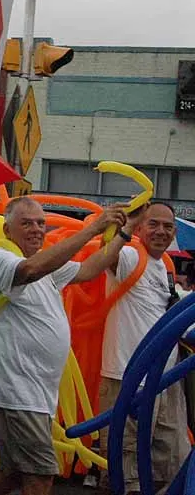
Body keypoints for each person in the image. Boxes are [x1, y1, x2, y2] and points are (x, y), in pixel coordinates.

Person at [0, 196, 141, 495]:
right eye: (26, 223)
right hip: (18, 394)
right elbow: (30, 270)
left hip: (33, 395)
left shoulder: (46, 263)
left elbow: (89, 269)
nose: (37, 229)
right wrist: (93, 229)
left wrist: (126, 231)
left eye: (41, 223)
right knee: (40, 476)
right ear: (7, 230)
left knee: (13, 475)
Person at [99, 202, 188, 495]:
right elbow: (106, 256)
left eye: (167, 226)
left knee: (170, 465)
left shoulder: (166, 268)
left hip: (165, 381)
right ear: (139, 228)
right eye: (153, 224)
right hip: (127, 378)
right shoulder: (129, 255)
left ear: (174, 232)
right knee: (126, 471)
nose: (161, 231)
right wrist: (123, 227)